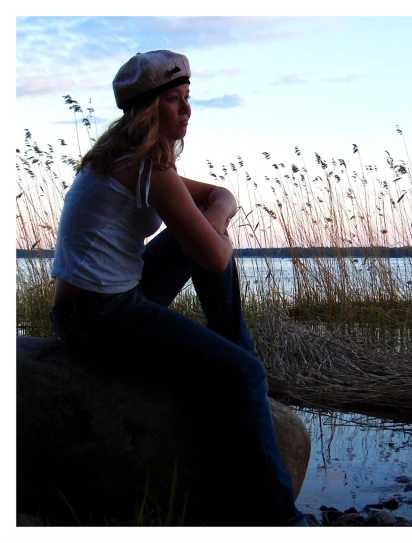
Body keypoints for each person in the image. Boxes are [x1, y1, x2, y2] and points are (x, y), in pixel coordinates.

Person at [49, 50, 307, 526]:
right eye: (173, 100)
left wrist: (213, 219)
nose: (186, 110)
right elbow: (216, 253)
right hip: (99, 317)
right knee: (243, 372)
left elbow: (219, 195)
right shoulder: (145, 165)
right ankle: (281, 520)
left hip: (95, 303)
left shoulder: (126, 155)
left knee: (200, 237)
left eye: (188, 97)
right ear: (148, 109)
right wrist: (215, 226)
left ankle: (242, 361)